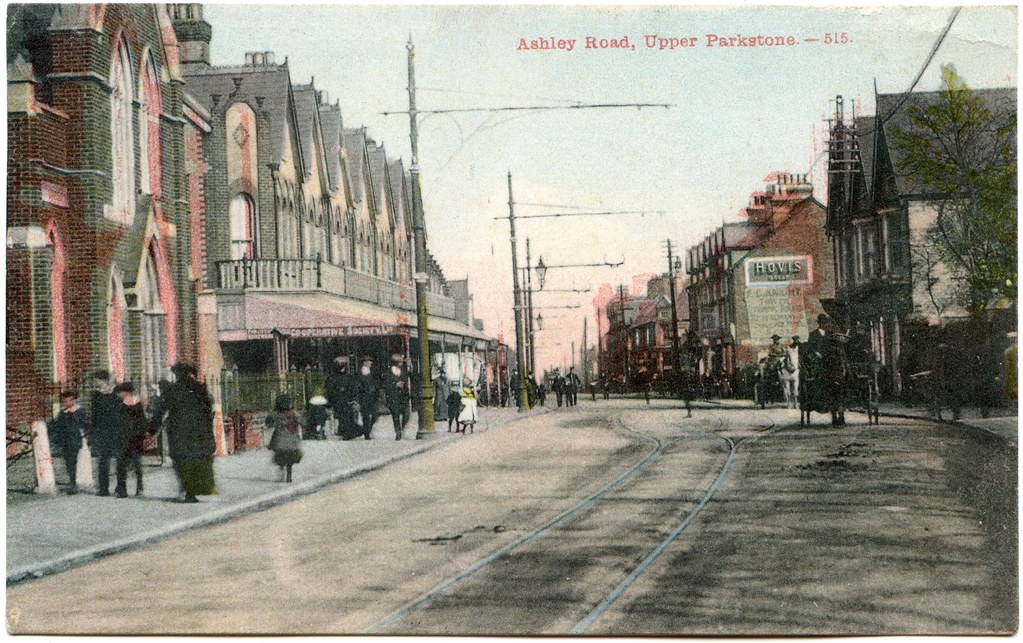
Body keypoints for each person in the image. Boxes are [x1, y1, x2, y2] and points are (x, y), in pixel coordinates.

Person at [162, 363, 217, 502]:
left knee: (181, 461)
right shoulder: (200, 389)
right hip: (198, 431)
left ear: (177, 375)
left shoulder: (172, 390)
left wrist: (151, 430)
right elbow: (208, 410)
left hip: (178, 431)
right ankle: (190, 491)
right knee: (195, 459)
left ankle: (188, 489)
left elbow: (161, 410)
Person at [49, 390, 89, 495]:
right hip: (65, 441)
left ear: (72, 401)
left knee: (73, 462)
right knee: (68, 462)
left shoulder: (79, 411)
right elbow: (56, 425)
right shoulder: (63, 413)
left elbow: (83, 424)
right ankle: (72, 481)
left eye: (66, 401)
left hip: (75, 440)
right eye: (62, 402)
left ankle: (74, 483)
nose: (64, 404)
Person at [89, 370, 121, 497]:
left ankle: (120, 486)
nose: (97, 383)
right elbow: (94, 415)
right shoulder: (96, 396)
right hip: (101, 431)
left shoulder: (115, 395)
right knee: (103, 460)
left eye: (98, 380)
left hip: (114, 430)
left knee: (119, 459)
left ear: (105, 381)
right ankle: (103, 488)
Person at [113, 382, 148, 497]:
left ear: (126, 392)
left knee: (133, 463)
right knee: (125, 464)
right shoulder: (120, 405)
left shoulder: (134, 405)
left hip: (133, 438)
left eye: (120, 392)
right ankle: (123, 489)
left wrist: (141, 433)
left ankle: (137, 486)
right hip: (126, 438)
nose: (118, 394)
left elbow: (142, 422)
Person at [267, 394, 303, 483]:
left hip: (281, 444)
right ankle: (289, 474)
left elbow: (269, 422)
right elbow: (303, 422)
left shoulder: (277, 416)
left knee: (282, 459)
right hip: (293, 443)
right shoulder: (295, 415)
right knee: (290, 460)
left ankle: (282, 470)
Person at [325, 356, 360, 440]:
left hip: (342, 401)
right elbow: (330, 390)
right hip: (341, 401)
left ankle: (347, 432)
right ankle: (349, 432)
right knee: (345, 417)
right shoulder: (337, 378)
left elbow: (352, 388)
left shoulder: (335, 377)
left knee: (345, 417)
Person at [381, 354, 409, 440]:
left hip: (403, 396)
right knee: (395, 416)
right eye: (400, 361)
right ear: (396, 362)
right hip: (393, 397)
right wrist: (395, 385)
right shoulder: (387, 373)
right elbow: (385, 385)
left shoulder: (402, 371)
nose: (401, 363)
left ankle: (402, 428)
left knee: (406, 414)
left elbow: (407, 378)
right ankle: (398, 433)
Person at [355, 356, 381, 439]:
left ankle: (367, 430)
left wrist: (377, 391)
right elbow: (358, 386)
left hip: (373, 397)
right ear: (364, 362)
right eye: (369, 361)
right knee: (365, 416)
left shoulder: (372, 372)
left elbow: (376, 383)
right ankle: (366, 434)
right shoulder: (359, 374)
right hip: (364, 397)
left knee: (375, 415)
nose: (371, 363)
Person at [781, 336, 801, 409]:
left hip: (797, 360)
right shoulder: (789, 347)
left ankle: (796, 402)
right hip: (789, 361)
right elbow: (786, 354)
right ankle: (788, 402)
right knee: (780, 363)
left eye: (797, 340)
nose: (796, 341)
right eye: (795, 340)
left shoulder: (800, 346)